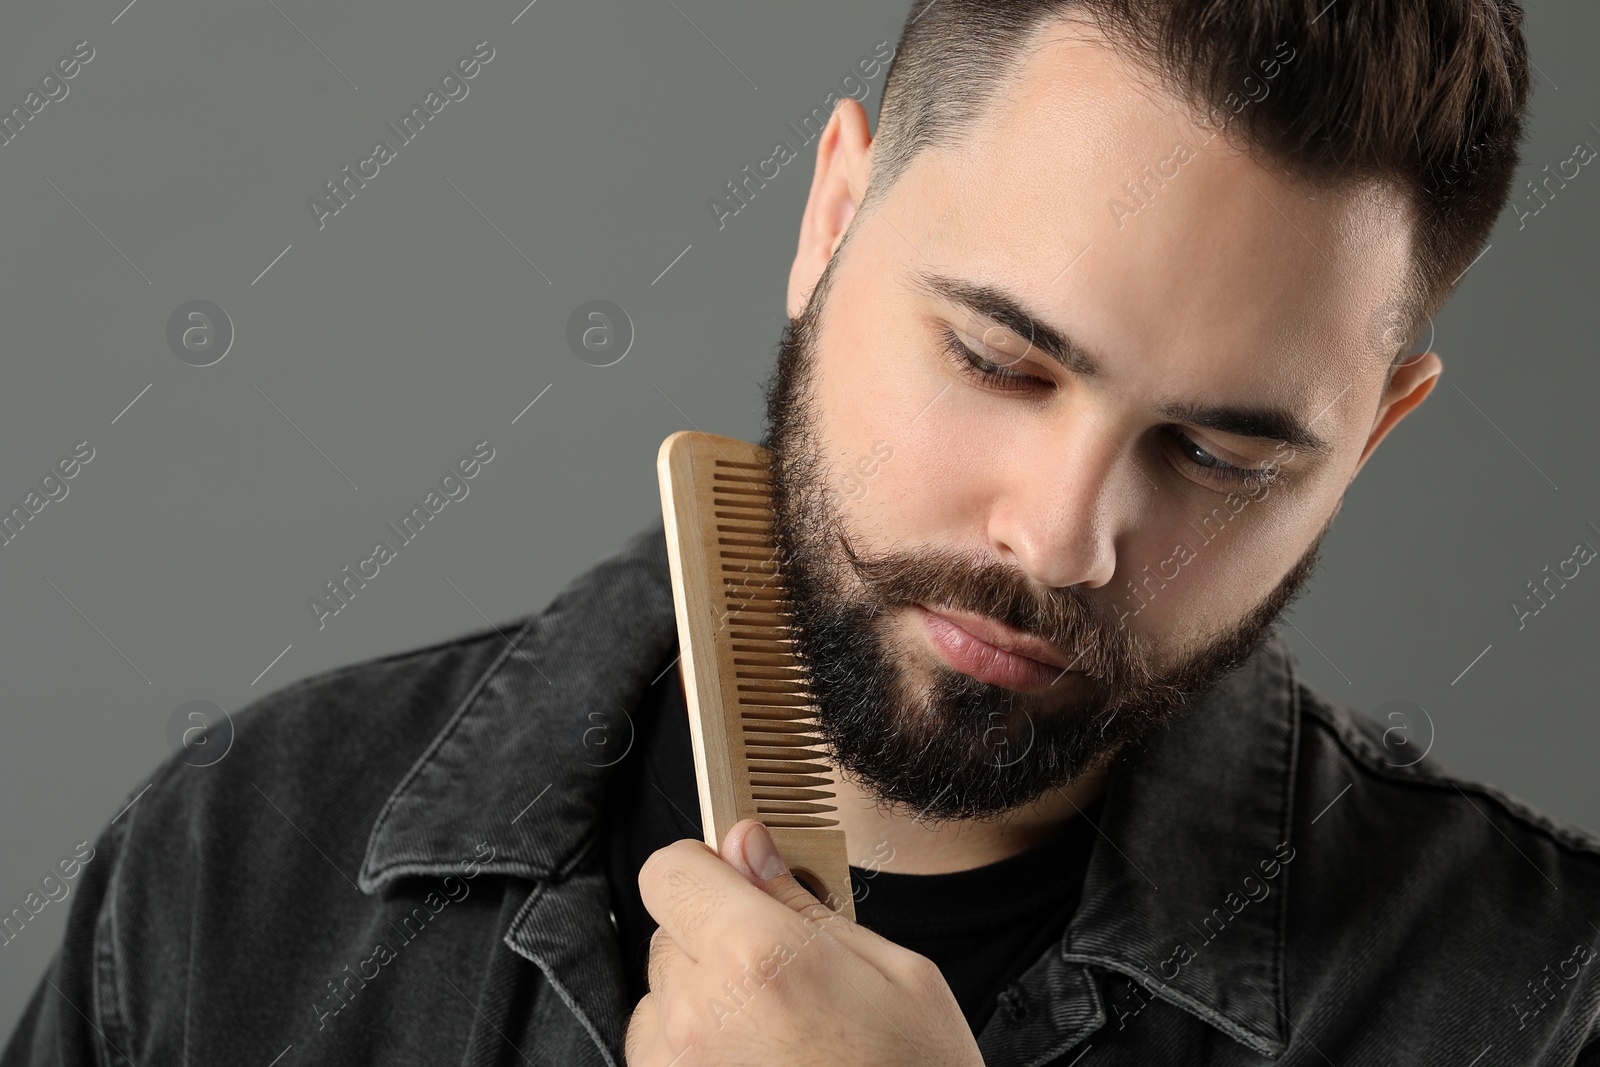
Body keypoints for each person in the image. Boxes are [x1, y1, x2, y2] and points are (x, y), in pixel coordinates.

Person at [9, 1, 1595, 1064]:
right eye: (998, 360)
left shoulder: (1540, 1005)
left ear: (1374, 436)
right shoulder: (244, 868)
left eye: (1221, 452)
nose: (1057, 541)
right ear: (830, 220)